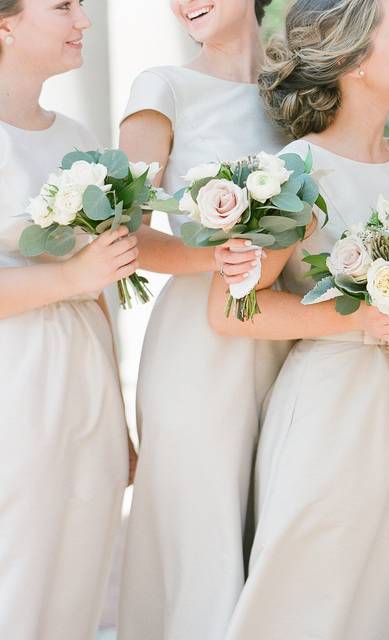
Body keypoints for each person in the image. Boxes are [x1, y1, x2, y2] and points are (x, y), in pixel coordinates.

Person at [215, 0, 389, 637]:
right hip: (333, 412)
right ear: (354, 61)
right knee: (305, 600)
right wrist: (362, 320)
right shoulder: (296, 172)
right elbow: (234, 309)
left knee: (387, 603)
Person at [116, 1, 294, 638]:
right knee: (204, 535)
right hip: (198, 347)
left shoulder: (302, 84)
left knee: (274, 533)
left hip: (291, 336)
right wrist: (212, 254)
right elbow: (126, 241)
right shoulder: (161, 88)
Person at [0, 1, 129, 637]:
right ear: (5, 22)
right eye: (62, 6)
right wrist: (73, 277)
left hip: (86, 382)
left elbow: (101, 290)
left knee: (80, 565)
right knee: (18, 571)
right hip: (14, 381)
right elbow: (83, 275)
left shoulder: (77, 136)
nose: (83, 20)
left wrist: (120, 417)